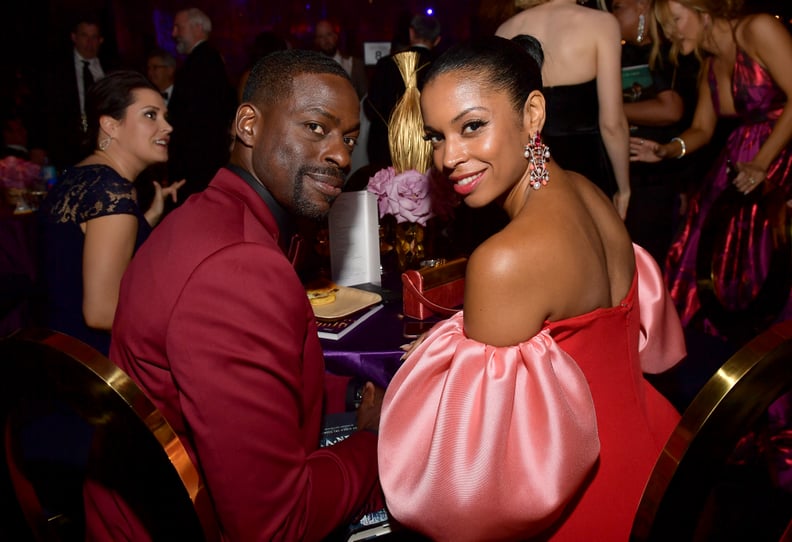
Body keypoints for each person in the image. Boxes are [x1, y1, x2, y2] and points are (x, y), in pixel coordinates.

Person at [377, 36, 685, 541]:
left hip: (579, 509)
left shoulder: (503, 260)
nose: (449, 157)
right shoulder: (590, 195)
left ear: (533, 114)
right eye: (437, 137)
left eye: (472, 126)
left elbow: (467, 481)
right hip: (655, 465)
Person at [85, 50, 384, 541]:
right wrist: (371, 441)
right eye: (316, 128)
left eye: (348, 137)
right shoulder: (237, 268)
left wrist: (352, 392)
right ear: (249, 125)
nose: (342, 155)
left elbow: (266, 380)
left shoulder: (208, 213)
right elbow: (274, 526)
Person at [630, 0, 792, 336]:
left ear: (702, 9)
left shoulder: (757, 27)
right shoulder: (710, 65)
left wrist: (762, 163)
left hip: (781, 158)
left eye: (675, 19)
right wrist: (667, 150)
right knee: (715, 265)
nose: (671, 32)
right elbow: (702, 129)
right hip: (740, 167)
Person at [37, 71, 184, 355]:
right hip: (95, 367)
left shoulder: (80, 175)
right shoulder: (111, 190)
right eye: (151, 115)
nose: (168, 127)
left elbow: (74, 252)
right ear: (110, 125)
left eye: (165, 115)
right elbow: (102, 312)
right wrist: (178, 324)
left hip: (59, 353)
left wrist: (146, 218)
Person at [496, 0, 632, 219]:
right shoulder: (601, 24)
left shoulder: (506, 30)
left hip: (529, 166)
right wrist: (624, 189)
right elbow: (612, 124)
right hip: (587, 167)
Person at [611, 0, 691, 264]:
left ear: (642, 6)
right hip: (624, 176)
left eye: (617, 6)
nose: (611, 15)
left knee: (650, 262)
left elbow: (671, 110)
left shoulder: (667, 51)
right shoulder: (616, 54)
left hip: (656, 176)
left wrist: (608, 111)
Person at [167, 7, 237, 199]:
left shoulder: (202, 62)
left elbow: (196, 120)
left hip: (197, 165)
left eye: (178, 27)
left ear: (198, 28)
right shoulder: (205, 59)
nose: (174, 34)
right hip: (203, 163)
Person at [365, 13, 442, 171]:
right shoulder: (443, 66)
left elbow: (371, 108)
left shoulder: (386, 64)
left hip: (388, 150)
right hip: (431, 150)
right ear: (437, 39)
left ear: (411, 33)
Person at [42, 15, 109, 171]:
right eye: (84, 36)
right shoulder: (56, 70)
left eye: (94, 37)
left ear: (101, 40)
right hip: (66, 146)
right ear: (74, 37)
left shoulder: (111, 68)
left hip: (105, 143)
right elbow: (44, 108)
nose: (89, 43)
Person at [314, 19, 368, 100]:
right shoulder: (311, 67)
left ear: (336, 36)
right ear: (317, 41)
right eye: (321, 37)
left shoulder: (355, 64)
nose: (326, 40)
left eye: (329, 34)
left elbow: (365, 98)